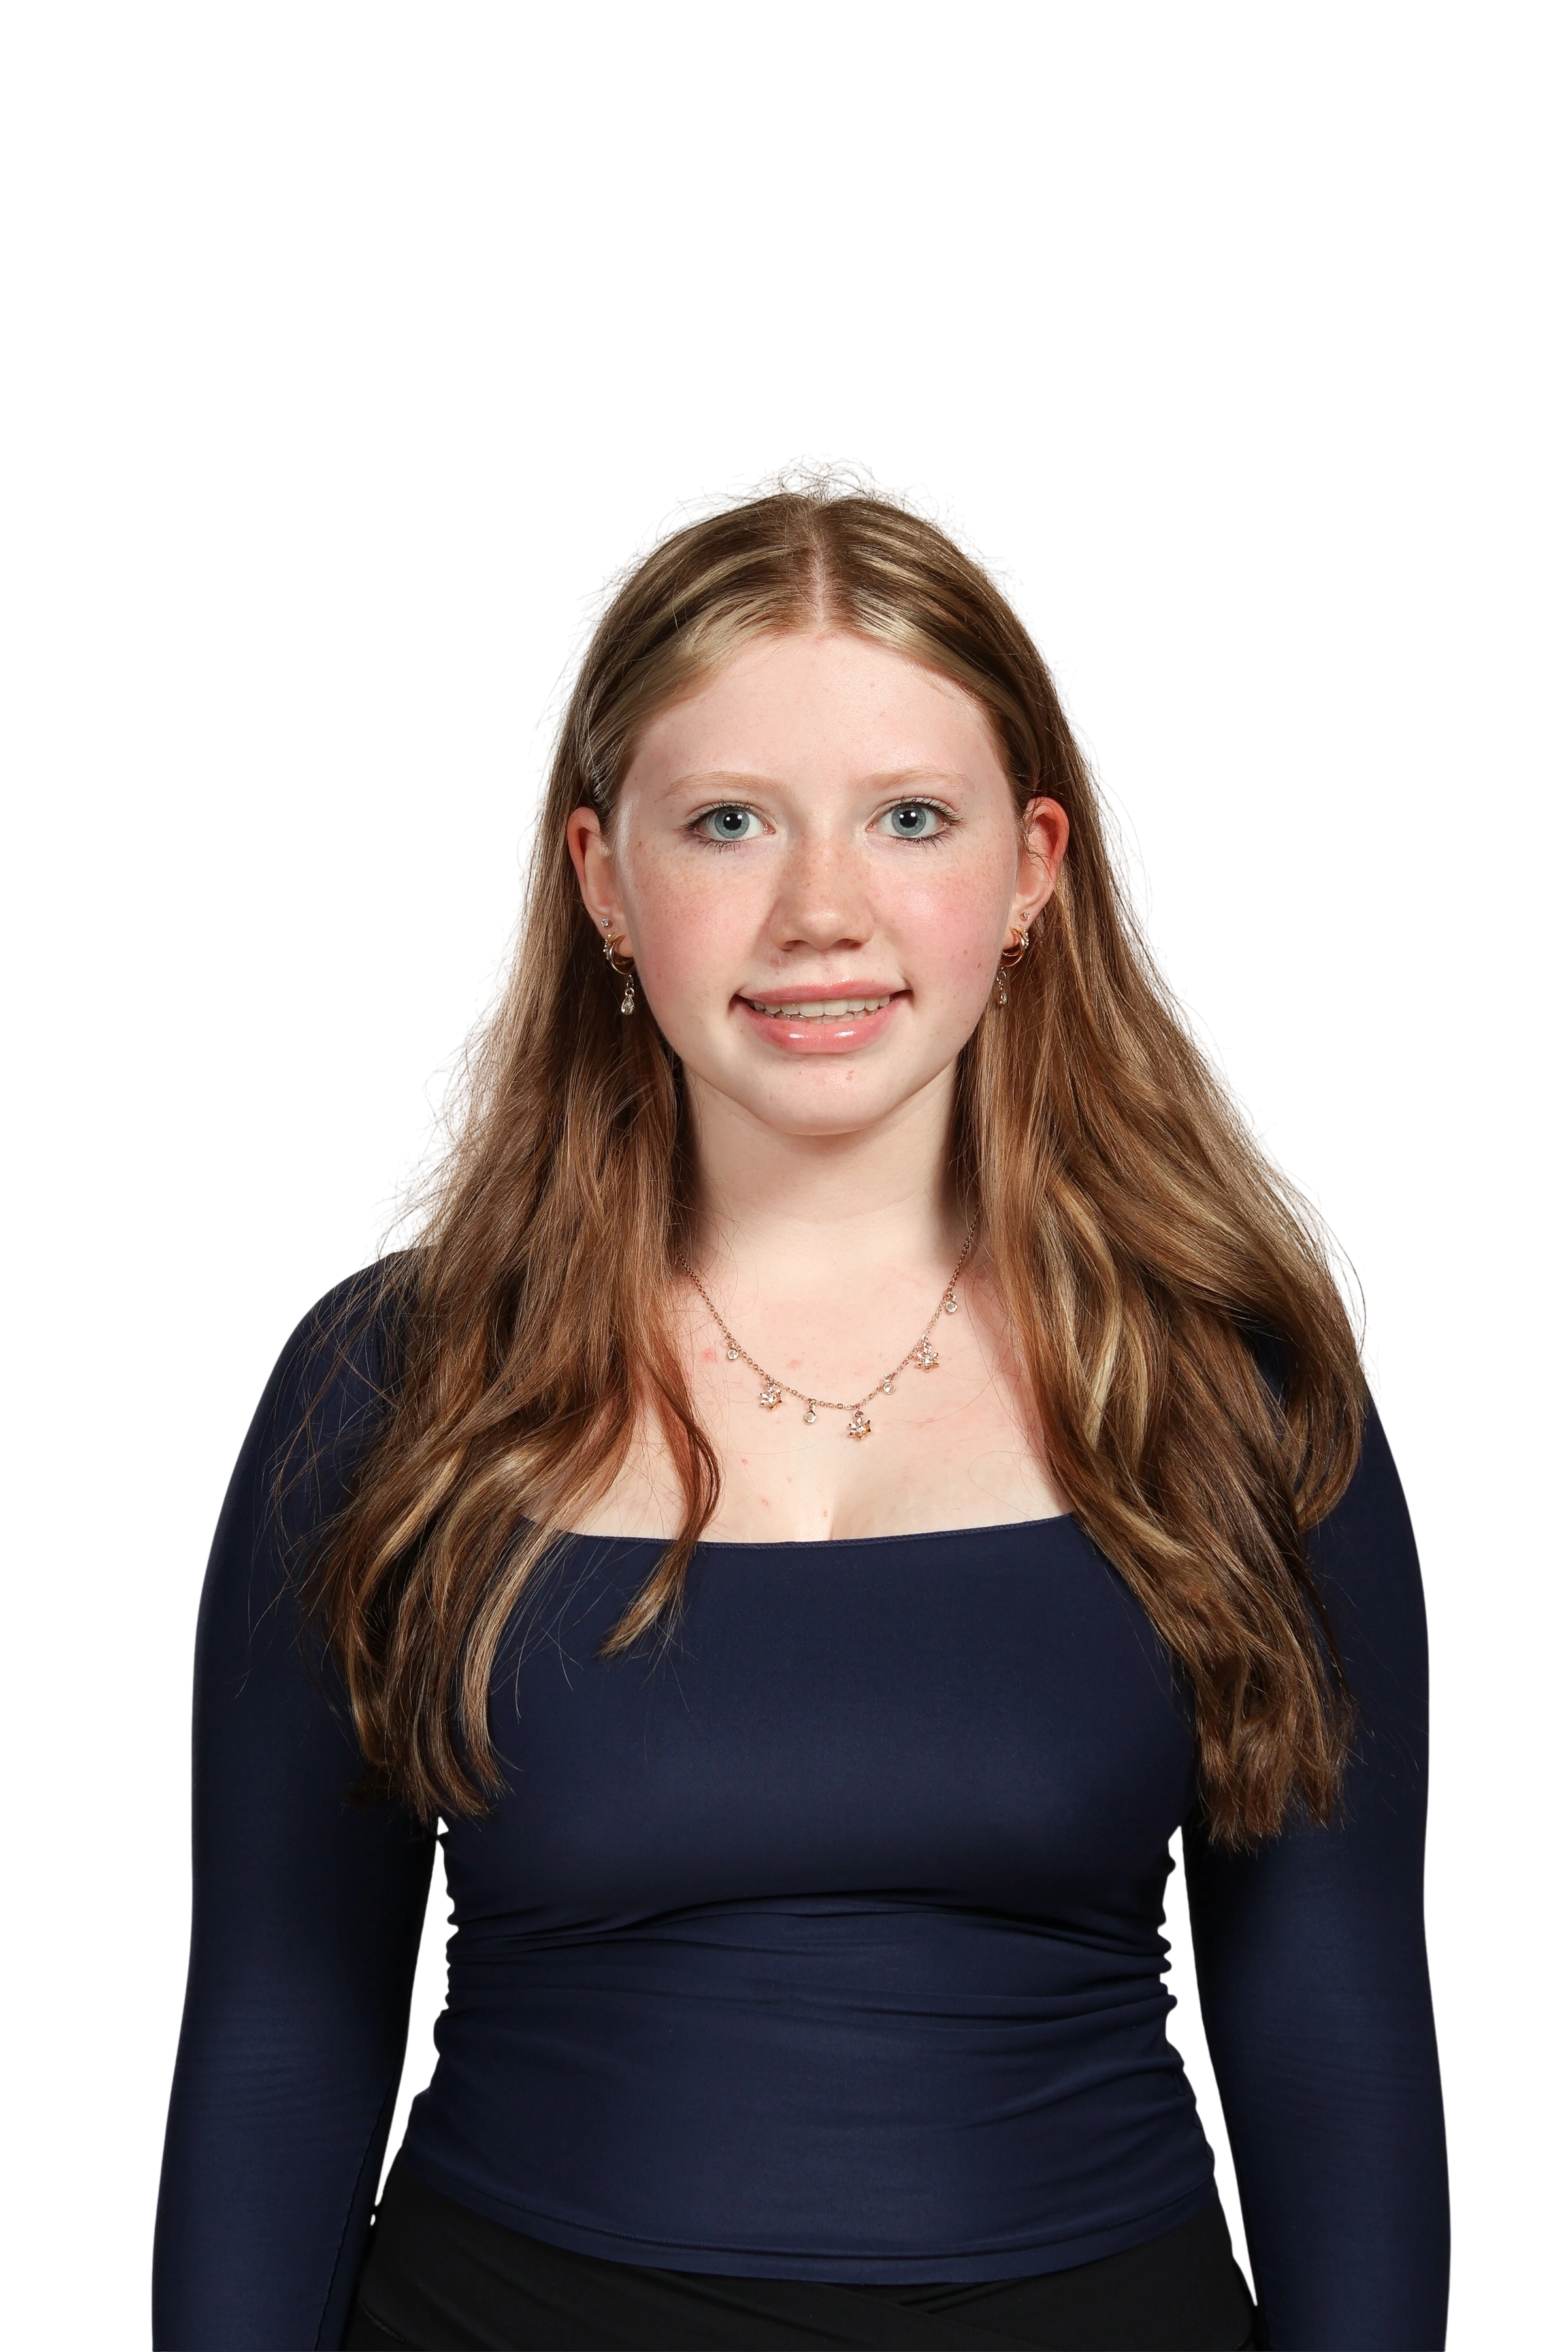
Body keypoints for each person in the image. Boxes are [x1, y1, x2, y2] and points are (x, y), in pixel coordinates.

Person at [149, 454, 1450, 2352]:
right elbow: (282, 2031)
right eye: (730, 822)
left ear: (1033, 869)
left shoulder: (1242, 1387)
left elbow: (1332, 2023)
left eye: (909, 817)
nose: (821, 911)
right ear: (602, 877)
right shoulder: (386, 1386)